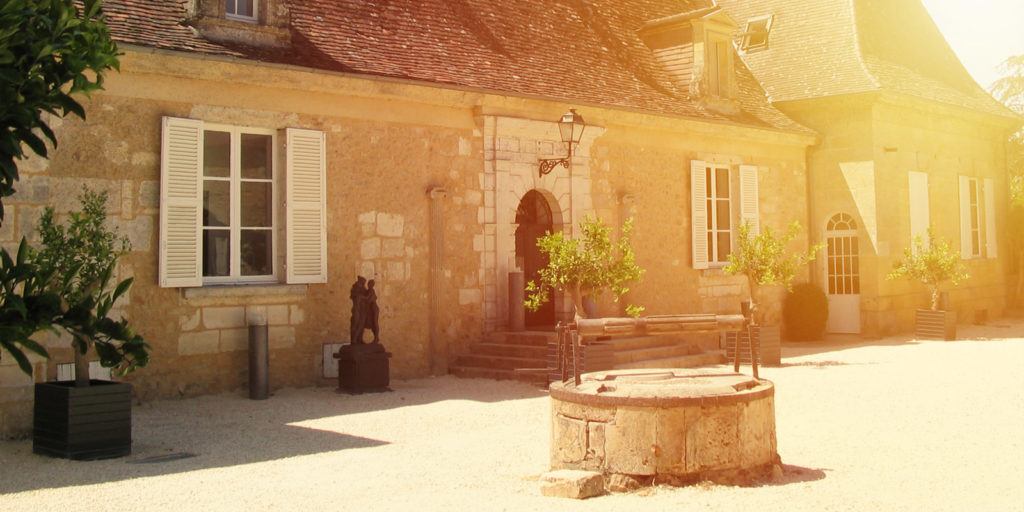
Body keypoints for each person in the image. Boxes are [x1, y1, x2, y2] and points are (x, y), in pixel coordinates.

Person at [349, 276, 367, 343]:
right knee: (356, 324)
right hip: (357, 309)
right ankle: (354, 339)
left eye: (363, 283)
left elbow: (366, 296)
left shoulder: (363, 290)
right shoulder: (355, 290)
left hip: (362, 310)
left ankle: (359, 339)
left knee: (362, 324)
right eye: (362, 283)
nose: (363, 285)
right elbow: (359, 297)